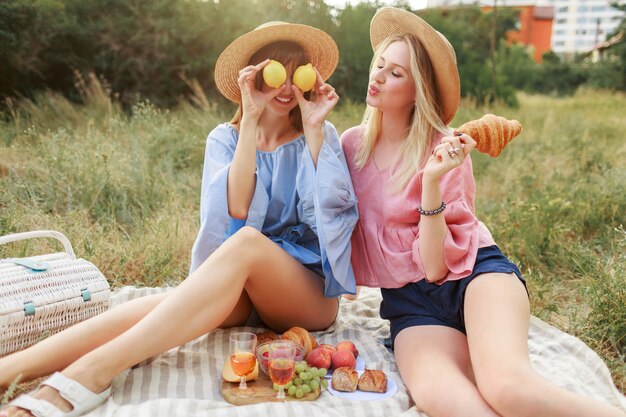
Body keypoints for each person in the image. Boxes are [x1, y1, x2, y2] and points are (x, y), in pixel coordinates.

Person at [0, 21, 357, 417]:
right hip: (246, 286)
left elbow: (329, 218)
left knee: (247, 244)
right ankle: (9, 370)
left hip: (307, 294)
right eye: (276, 73)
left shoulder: (319, 133)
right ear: (254, 77)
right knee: (162, 306)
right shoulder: (225, 137)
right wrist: (251, 120)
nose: (286, 86)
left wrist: (314, 131)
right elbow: (238, 207)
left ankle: (90, 374)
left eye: (297, 74)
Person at [341, 7, 624, 417]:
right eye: (379, 65)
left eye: (396, 73)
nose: (378, 77)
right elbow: (332, 216)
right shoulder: (353, 146)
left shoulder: (446, 148)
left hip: (474, 275)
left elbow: (437, 268)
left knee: (506, 388)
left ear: (418, 89)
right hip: (410, 305)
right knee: (446, 400)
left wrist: (433, 180)